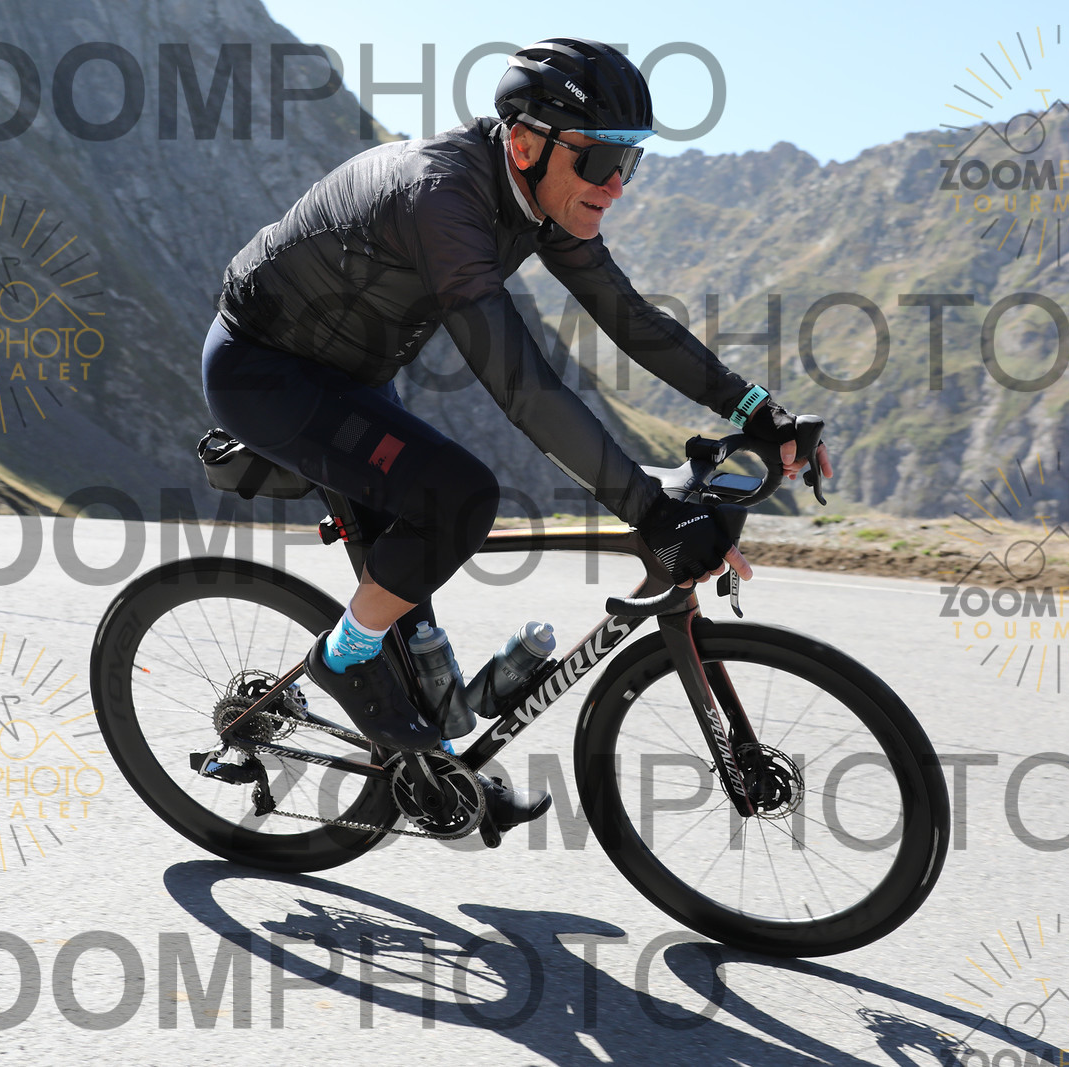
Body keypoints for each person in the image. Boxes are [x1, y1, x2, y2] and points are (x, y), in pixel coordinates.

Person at [202, 38, 832, 830]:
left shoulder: (540, 197)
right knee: (459, 497)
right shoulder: (442, 199)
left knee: (415, 577)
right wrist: (649, 511)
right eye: (600, 159)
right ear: (527, 143)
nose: (616, 184)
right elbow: (522, 385)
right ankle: (341, 660)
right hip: (264, 371)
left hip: (350, 373)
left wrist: (756, 410)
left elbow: (630, 320)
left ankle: (435, 769)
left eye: (630, 163)